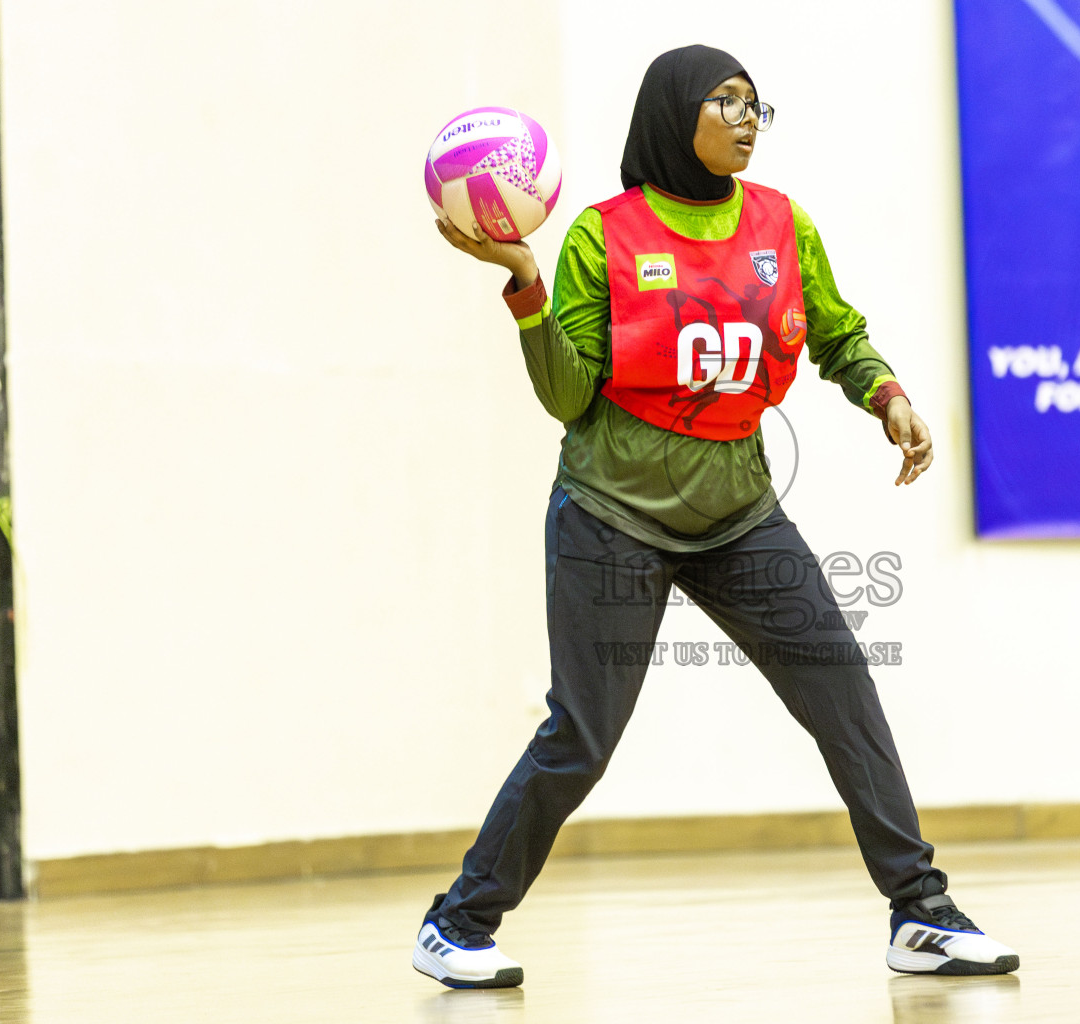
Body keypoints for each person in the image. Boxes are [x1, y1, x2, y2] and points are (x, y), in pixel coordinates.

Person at [410, 44, 1019, 989]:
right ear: (673, 116)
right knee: (583, 736)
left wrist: (886, 396)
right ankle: (457, 922)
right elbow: (569, 397)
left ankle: (921, 915)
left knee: (847, 701)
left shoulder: (783, 224)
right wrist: (524, 280)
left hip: (740, 515)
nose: (746, 119)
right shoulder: (600, 237)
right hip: (612, 515)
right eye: (724, 101)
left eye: (753, 105)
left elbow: (836, 330)